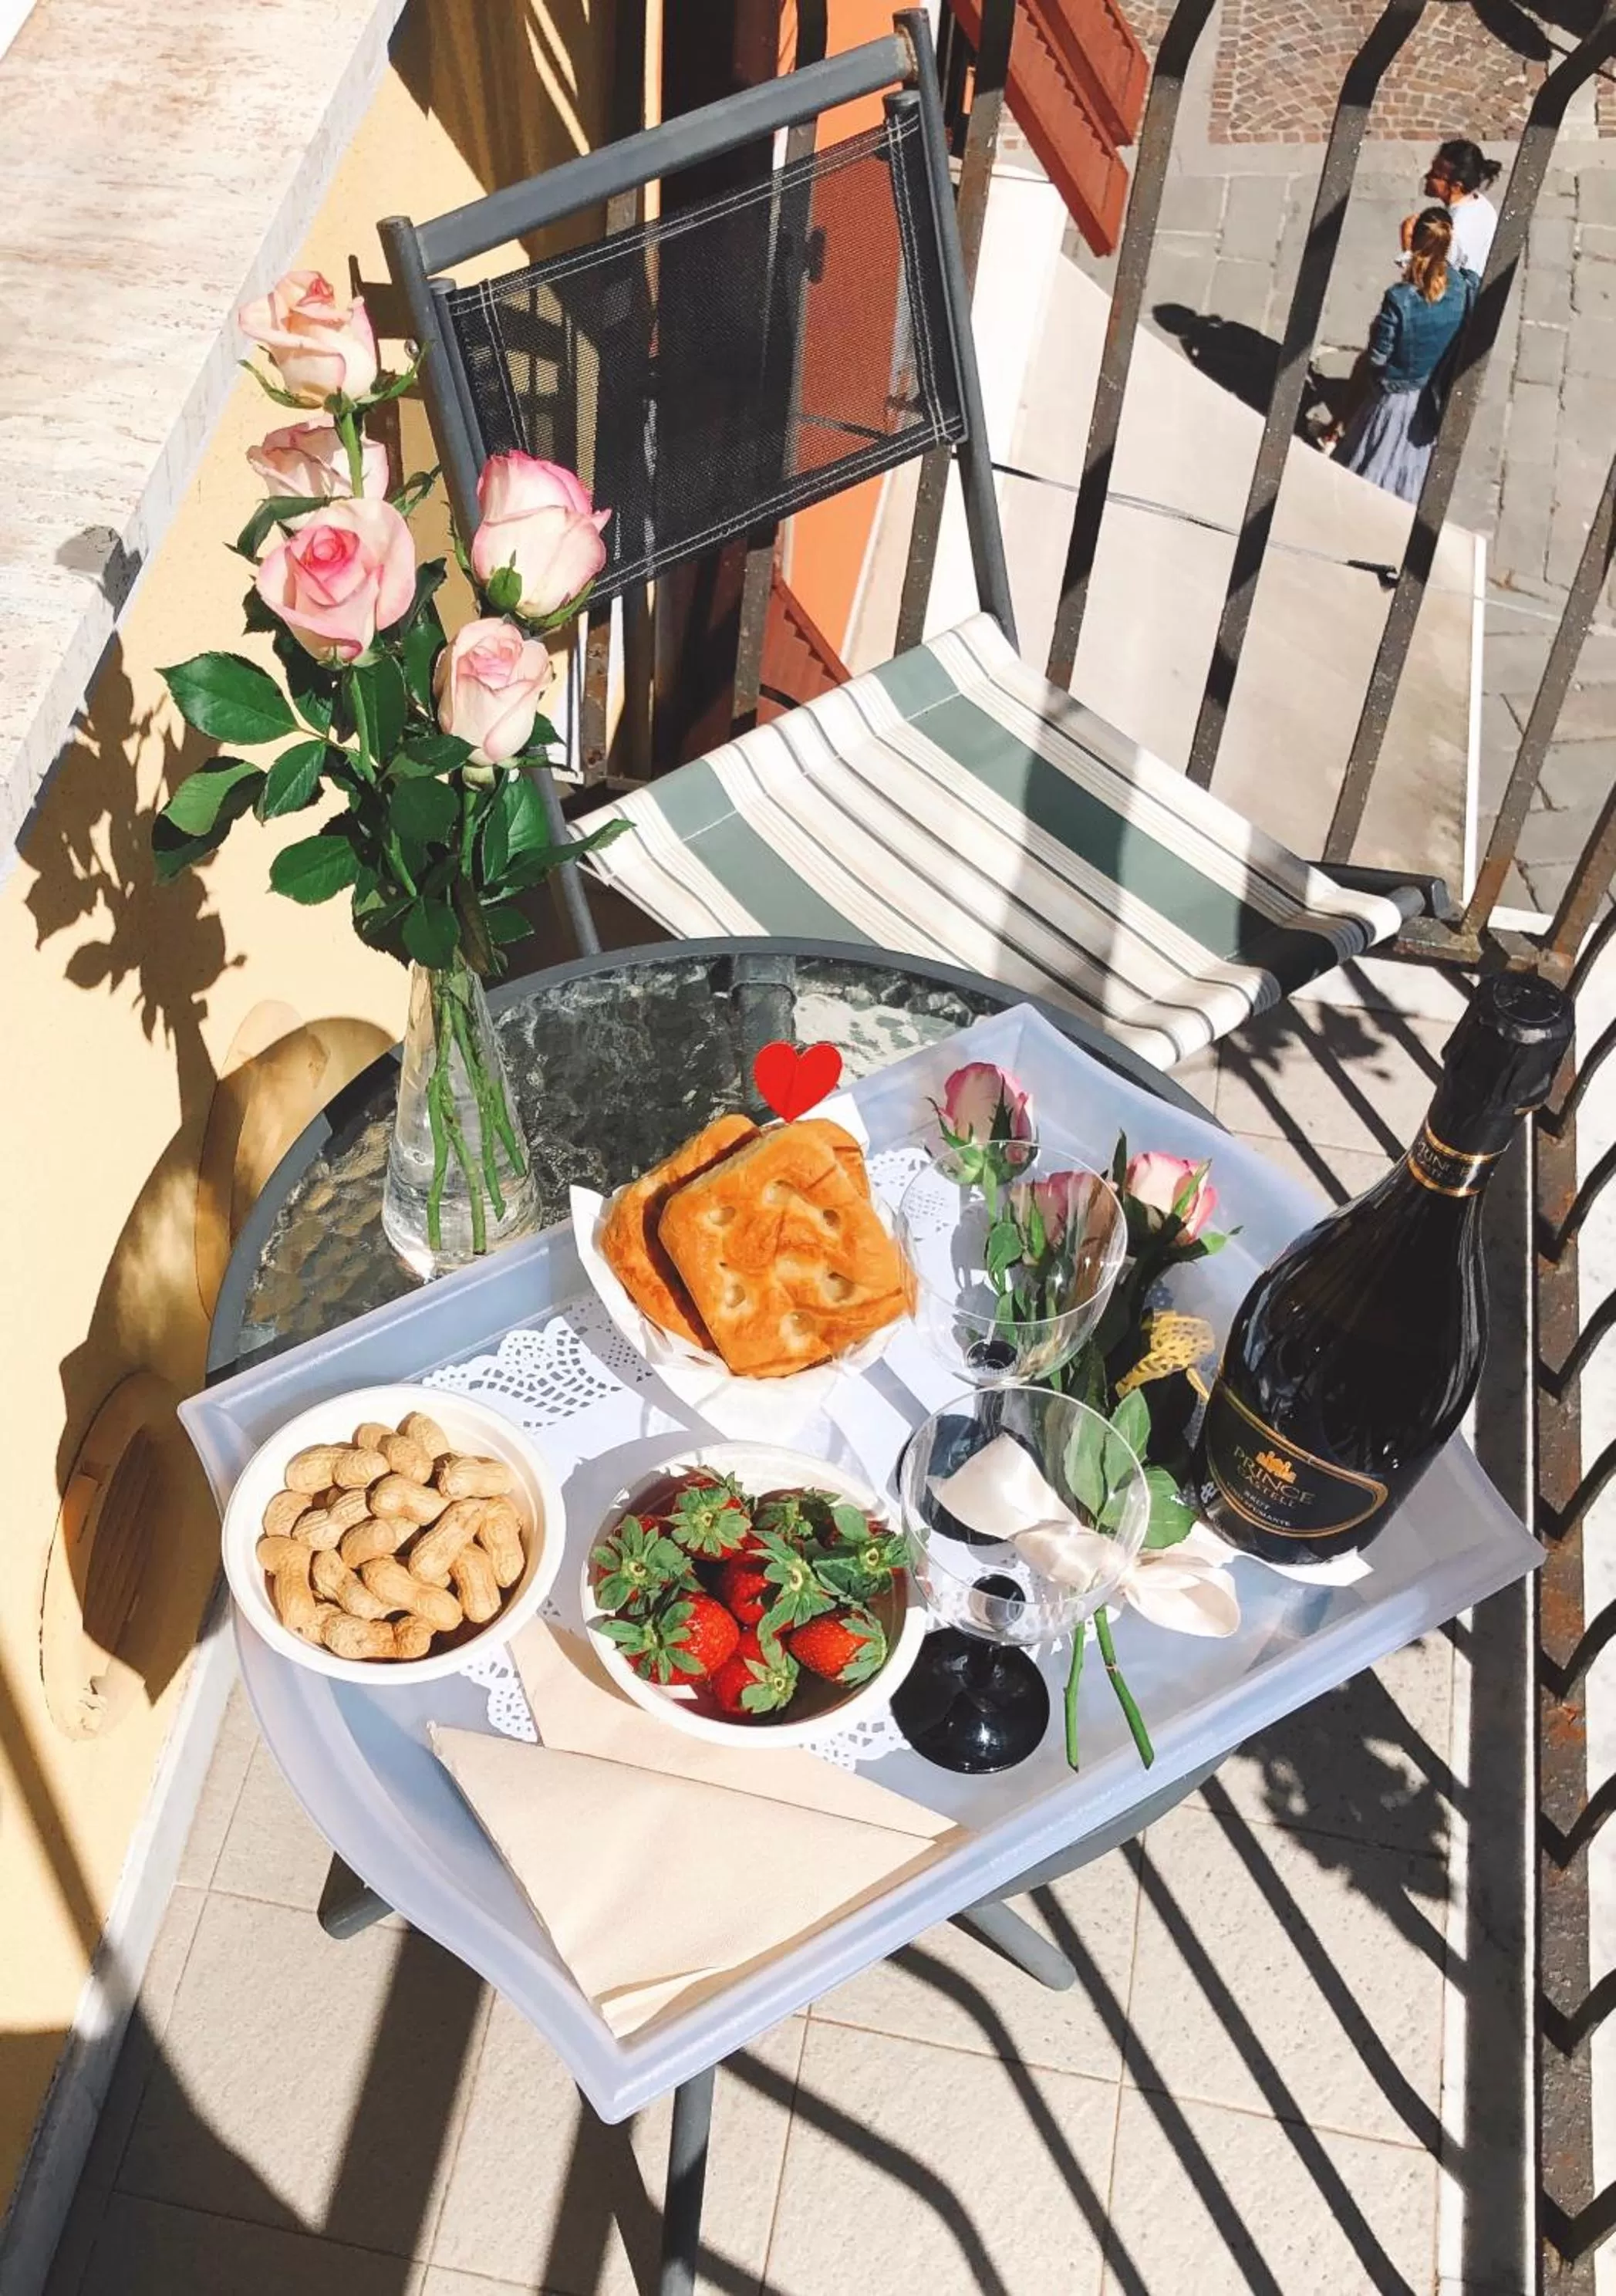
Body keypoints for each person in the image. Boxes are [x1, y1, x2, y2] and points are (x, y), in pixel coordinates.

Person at [1324, 207, 1476, 503]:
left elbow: (1379, 358)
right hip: (1432, 394)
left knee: (1371, 462)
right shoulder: (1464, 288)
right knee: (1410, 470)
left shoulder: (1401, 298)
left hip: (1396, 394)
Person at [1412, 138, 1502, 280]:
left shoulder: (1453, 231)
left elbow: (1429, 281)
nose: (1427, 176)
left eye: (1435, 175)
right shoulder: (1481, 204)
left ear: (1456, 186)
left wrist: (1409, 244)